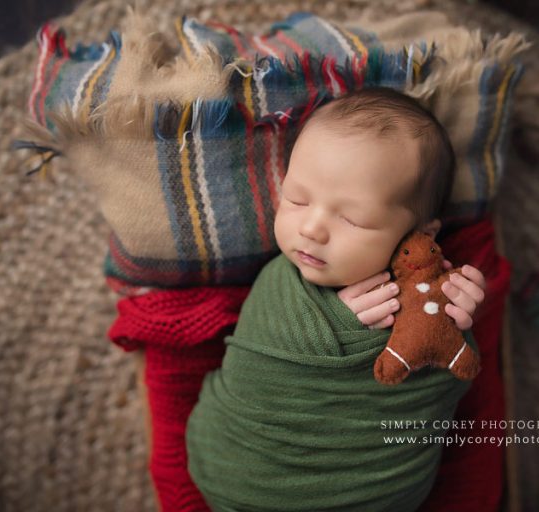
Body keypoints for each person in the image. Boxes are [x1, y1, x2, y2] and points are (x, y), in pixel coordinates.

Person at [186, 87, 487, 511]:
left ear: (422, 235)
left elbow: (446, 378)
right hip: (242, 474)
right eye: (297, 198)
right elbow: (256, 366)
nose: (311, 227)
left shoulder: (435, 289)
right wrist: (331, 322)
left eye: (352, 218)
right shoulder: (281, 285)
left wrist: (458, 319)